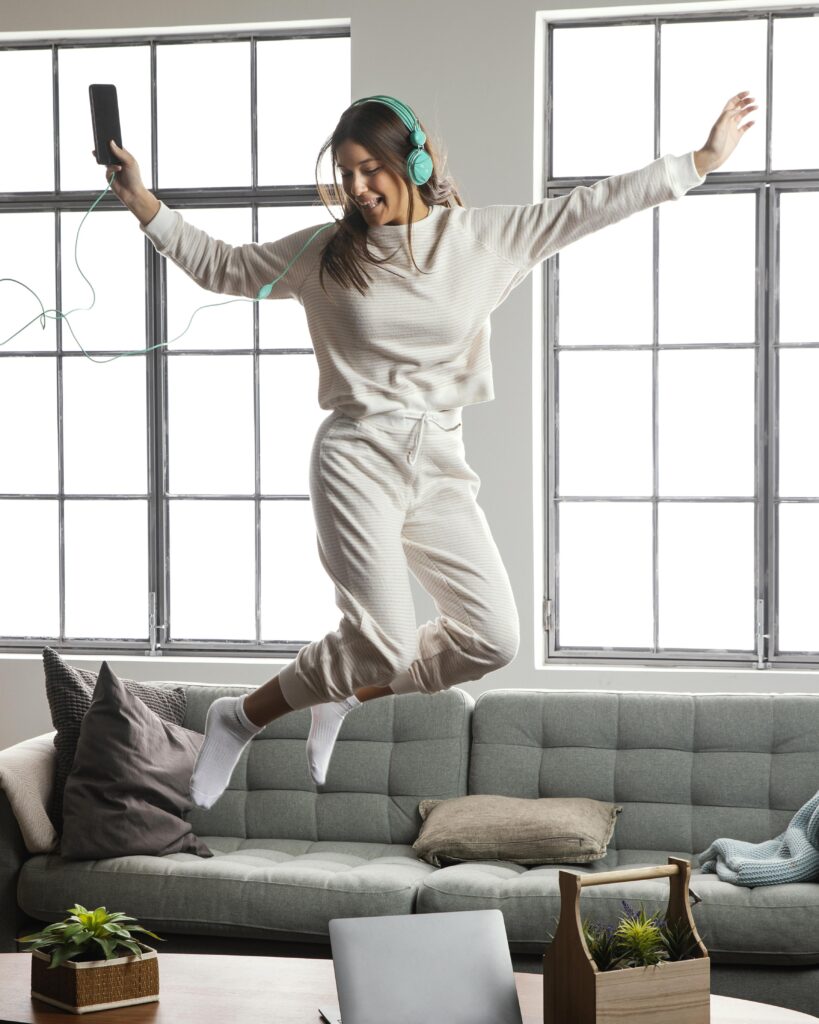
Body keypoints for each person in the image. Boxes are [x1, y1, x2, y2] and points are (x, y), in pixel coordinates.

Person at [103, 91, 756, 809]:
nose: (357, 187)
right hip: (357, 459)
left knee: (492, 639)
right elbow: (224, 266)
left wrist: (699, 161)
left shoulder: (482, 240)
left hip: (440, 461)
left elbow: (589, 206)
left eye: (370, 168)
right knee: (381, 639)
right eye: (345, 173)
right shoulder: (325, 254)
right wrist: (142, 201)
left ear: (413, 161)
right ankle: (241, 717)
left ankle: (347, 694)